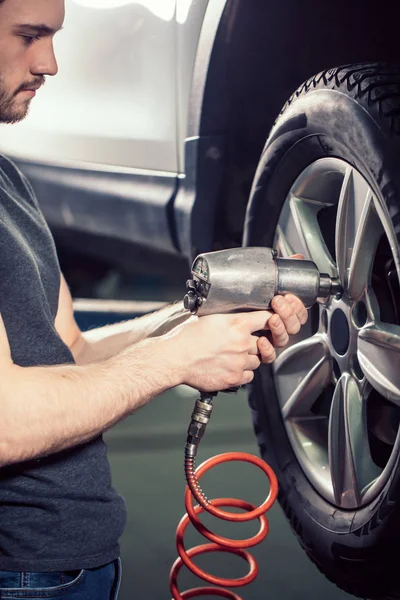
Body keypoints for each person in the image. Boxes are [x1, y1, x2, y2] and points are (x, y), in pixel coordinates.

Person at [0, 0, 309, 598]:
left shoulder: (7, 181)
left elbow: (71, 352)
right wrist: (179, 361)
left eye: (53, 36)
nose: (51, 63)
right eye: (29, 35)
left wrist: (191, 320)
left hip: (72, 563)